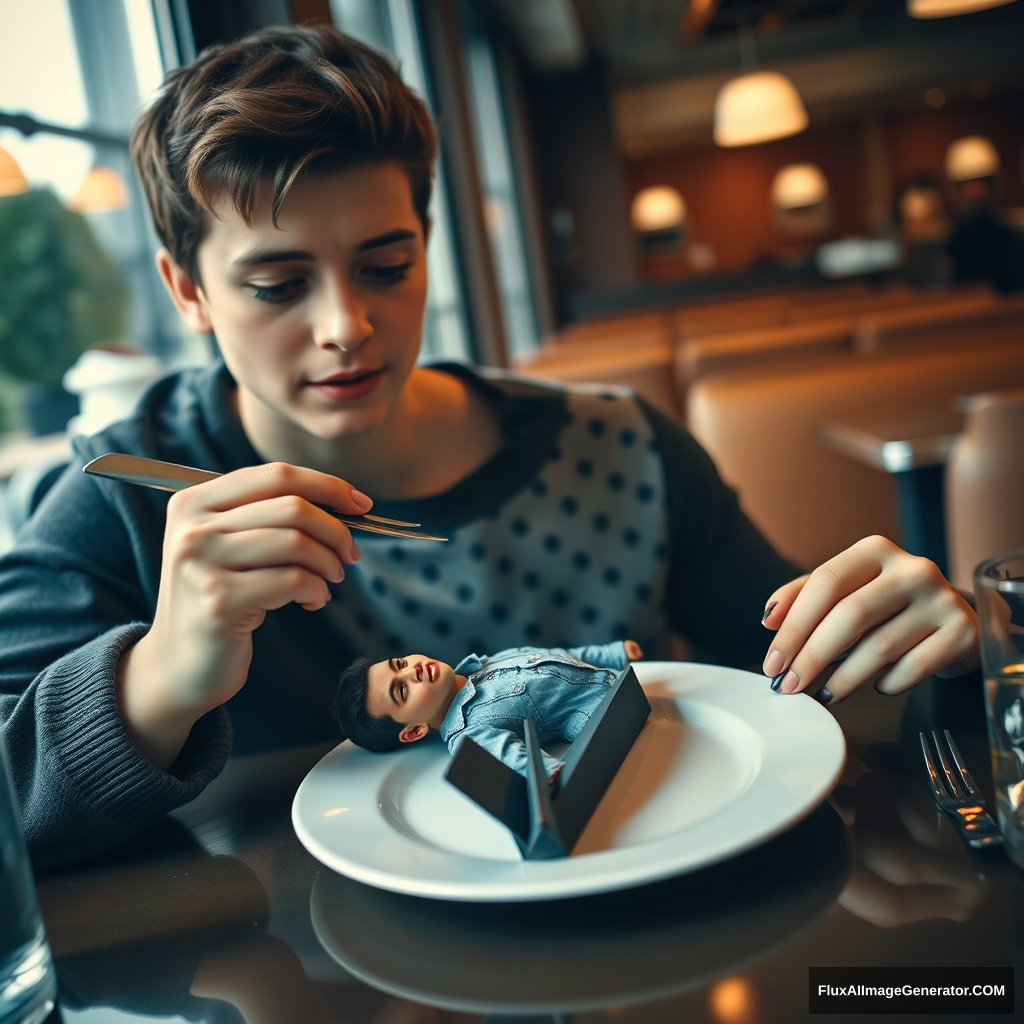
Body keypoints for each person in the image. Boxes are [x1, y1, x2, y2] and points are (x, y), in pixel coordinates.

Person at [0, 25, 979, 869]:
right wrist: (159, 676)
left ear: (427, 243)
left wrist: (928, 656)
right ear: (188, 291)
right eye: (277, 285)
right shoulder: (129, 497)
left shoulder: (623, 450)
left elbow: (802, 691)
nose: (345, 325)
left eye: (386, 266)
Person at [335, 640, 644, 780]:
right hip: (606, 714)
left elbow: (552, 654)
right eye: (402, 690)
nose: (412, 670)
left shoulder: (483, 663)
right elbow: (508, 755)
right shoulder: (468, 731)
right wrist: (546, 772)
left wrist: (611, 653)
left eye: (400, 664)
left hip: (621, 678)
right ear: (414, 729)